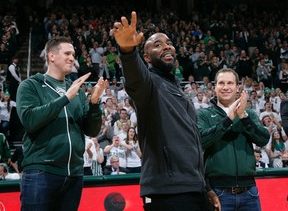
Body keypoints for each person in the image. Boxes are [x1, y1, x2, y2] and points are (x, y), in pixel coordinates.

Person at [112, 12, 214, 211]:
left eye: (168, 42)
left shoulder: (178, 90)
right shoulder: (148, 84)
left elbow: (192, 146)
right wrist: (127, 51)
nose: (166, 46)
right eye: (157, 45)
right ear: (146, 57)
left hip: (194, 188)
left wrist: (205, 187)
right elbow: (135, 79)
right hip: (167, 192)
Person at [16, 36, 106, 211]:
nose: (72, 58)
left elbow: (92, 131)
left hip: (74, 173)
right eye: (67, 53)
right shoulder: (30, 85)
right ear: (51, 56)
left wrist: (94, 105)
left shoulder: (77, 92)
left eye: (73, 54)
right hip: (41, 171)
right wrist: (65, 98)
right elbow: (30, 120)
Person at [197, 68, 270, 211]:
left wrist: (243, 117)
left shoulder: (248, 114)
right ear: (215, 87)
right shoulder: (203, 114)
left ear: (238, 88)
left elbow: (263, 139)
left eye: (230, 83)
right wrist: (228, 119)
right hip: (218, 191)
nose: (225, 87)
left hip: (250, 191)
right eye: (221, 83)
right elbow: (201, 141)